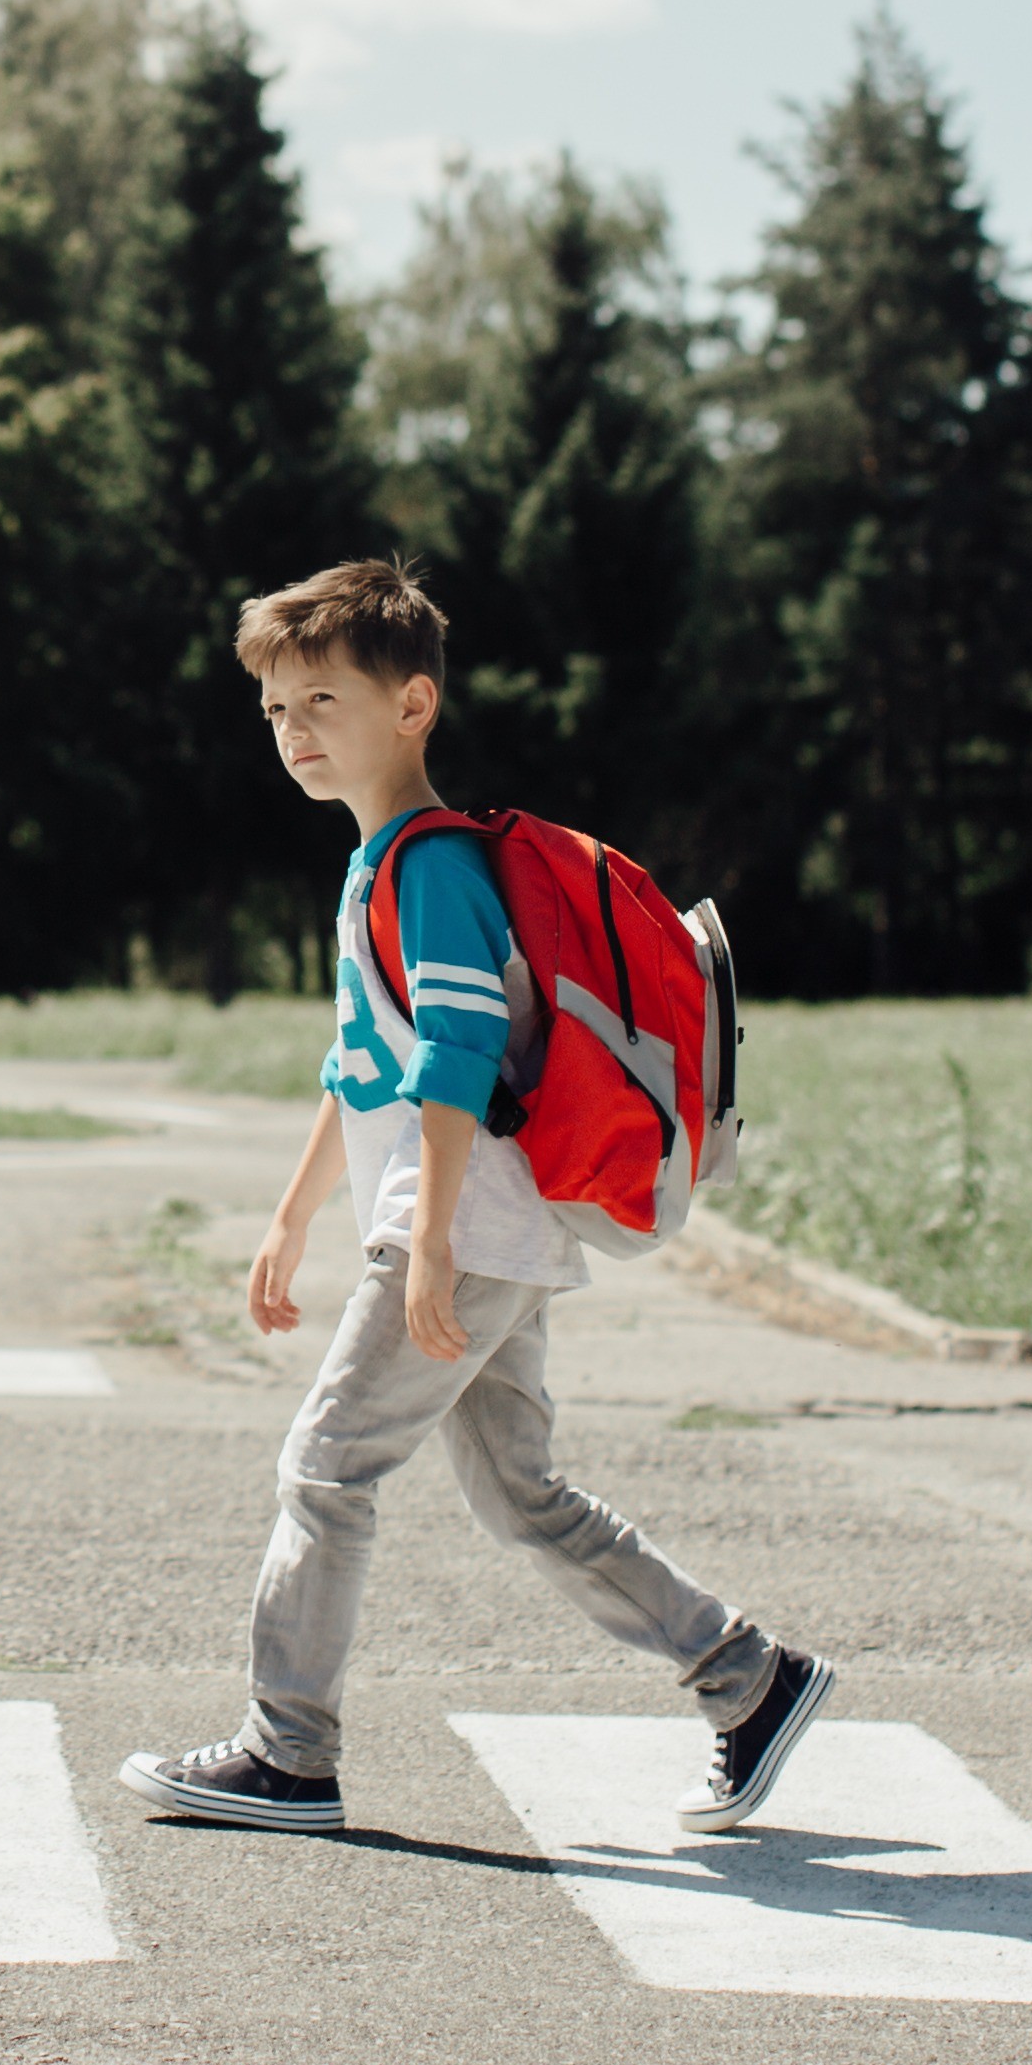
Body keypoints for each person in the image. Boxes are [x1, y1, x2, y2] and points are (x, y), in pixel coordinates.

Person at [117, 555, 829, 1837]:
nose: (295, 735)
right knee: (521, 1493)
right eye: (277, 712)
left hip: (466, 1231)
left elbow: (450, 1059)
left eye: (323, 702)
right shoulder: (377, 868)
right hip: (485, 1234)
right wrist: (288, 1218)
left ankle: (290, 1755)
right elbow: (361, 1066)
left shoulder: (430, 870)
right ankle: (753, 1682)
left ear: (414, 705)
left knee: (327, 1468)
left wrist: (429, 1242)